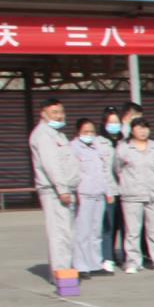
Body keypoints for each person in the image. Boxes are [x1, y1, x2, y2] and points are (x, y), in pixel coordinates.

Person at [114, 119, 154, 273]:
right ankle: (133, 262)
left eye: (145, 128)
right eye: (139, 128)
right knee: (133, 231)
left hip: (153, 193)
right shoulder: (124, 148)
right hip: (132, 194)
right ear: (132, 130)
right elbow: (117, 168)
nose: (143, 131)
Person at [29, 98, 79, 279]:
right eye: (54, 113)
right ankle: (61, 273)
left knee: (67, 233)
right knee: (60, 234)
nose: (59, 116)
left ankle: (64, 270)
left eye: (61, 112)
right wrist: (62, 189)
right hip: (54, 191)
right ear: (43, 114)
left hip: (64, 189)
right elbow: (51, 165)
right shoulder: (44, 135)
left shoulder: (57, 134)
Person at [70, 118, 118, 274]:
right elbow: (73, 172)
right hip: (84, 194)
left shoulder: (96, 147)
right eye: (85, 131)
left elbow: (105, 171)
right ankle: (81, 266)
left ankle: (95, 264)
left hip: (99, 194)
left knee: (96, 232)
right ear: (78, 132)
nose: (89, 134)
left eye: (92, 131)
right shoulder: (73, 148)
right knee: (82, 232)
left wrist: (109, 191)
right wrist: (75, 193)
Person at [101, 108, 129, 267]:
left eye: (116, 122)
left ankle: (126, 255)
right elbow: (103, 169)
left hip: (125, 189)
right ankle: (107, 256)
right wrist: (106, 190)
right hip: (109, 190)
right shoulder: (99, 142)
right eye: (110, 122)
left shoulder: (124, 141)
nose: (114, 125)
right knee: (109, 226)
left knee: (125, 226)